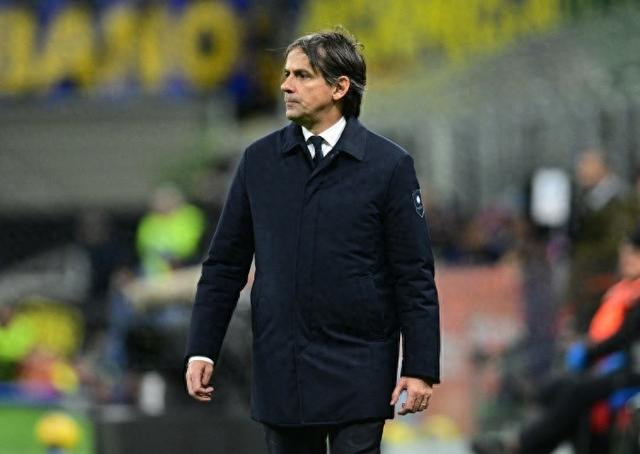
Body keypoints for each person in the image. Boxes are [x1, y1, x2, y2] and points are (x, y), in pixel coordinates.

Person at [184, 28, 440, 453]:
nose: (286, 85)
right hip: (283, 368)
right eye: (286, 74)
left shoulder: (389, 166)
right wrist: (202, 350)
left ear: (340, 87)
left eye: (302, 75)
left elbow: (414, 275)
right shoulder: (259, 162)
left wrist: (420, 368)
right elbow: (224, 266)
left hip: (360, 365)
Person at [471, 226, 640, 454]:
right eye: (626, 254)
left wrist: (589, 354)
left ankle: (519, 446)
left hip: (632, 371)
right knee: (561, 388)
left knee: (576, 391)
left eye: (633, 254)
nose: (627, 260)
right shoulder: (624, 291)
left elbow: (626, 337)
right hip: (616, 367)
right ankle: (525, 438)